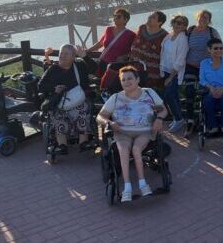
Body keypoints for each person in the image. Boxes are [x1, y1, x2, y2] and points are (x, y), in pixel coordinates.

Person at [97, 66, 167, 202]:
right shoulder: (116, 97)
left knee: (136, 149)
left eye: (130, 78)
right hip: (122, 132)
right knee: (123, 150)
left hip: (144, 131)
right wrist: (109, 123)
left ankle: (143, 183)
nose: (126, 82)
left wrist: (159, 118)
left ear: (137, 79)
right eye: (123, 80)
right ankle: (127, 187)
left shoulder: (149, 93)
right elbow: (100, 116)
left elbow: (163, 110)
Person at [38, 44, 98, 155]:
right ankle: (62, 145)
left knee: (82, 108)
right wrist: (54, 89)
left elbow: (95, 69)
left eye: (66, 54)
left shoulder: (79, 66)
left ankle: (83, 142)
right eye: (61, 53)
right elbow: (41, 86)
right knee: (57, 112)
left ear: (73, 57)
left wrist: (85, 56)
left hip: (78, 101)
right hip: (60, 101)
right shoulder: (53, 69)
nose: (62, 56)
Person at [183, 9, 221, 119]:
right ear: (197, 17)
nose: (203, 19)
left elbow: (219, 49)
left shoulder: (212, 32)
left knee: (205, 92)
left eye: (206, 17)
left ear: (209, 21)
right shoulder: (190, 30)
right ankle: (190, 119)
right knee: (189, 92)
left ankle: (206, 118)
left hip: (207, 67)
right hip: (190, 66)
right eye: (201, 16)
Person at [199, 38, 223, 135]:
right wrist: (211, 88)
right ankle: (213, 126)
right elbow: (202, 80)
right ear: (209, 50)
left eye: (221, 48)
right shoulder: (204, 63)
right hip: (210, 90)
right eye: (216, 48)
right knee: (207, 101)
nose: (219, 51)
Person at [161, 14, 189, 133]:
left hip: (174, 73)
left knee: (169, 95)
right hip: (166, 71)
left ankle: (178, 119)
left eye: (181, 23)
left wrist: (171, 77)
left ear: (184, 27)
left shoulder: (182, 39)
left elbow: (180, 60)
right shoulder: (169, 36)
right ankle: (178, 118)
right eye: (176, 22)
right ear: (172, 23)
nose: (178, 25)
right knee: (173, 96)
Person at [87, 8, 136, 75]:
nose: (115, 18)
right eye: (115, 16)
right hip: (102, 62)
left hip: (116, 65)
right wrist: (87, 51)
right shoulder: (108, 29)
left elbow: (135, 50)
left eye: (119, 16)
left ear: (126, 20)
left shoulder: (131, 34)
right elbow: (100, 43)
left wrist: (125, 56)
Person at [129, 11, 168, 89]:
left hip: (152, 72)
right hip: (135, 67)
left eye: (153, 17)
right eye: (150, 16)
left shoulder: (165, 36)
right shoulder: (142, 28)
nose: (149, 18)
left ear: (160, 22)